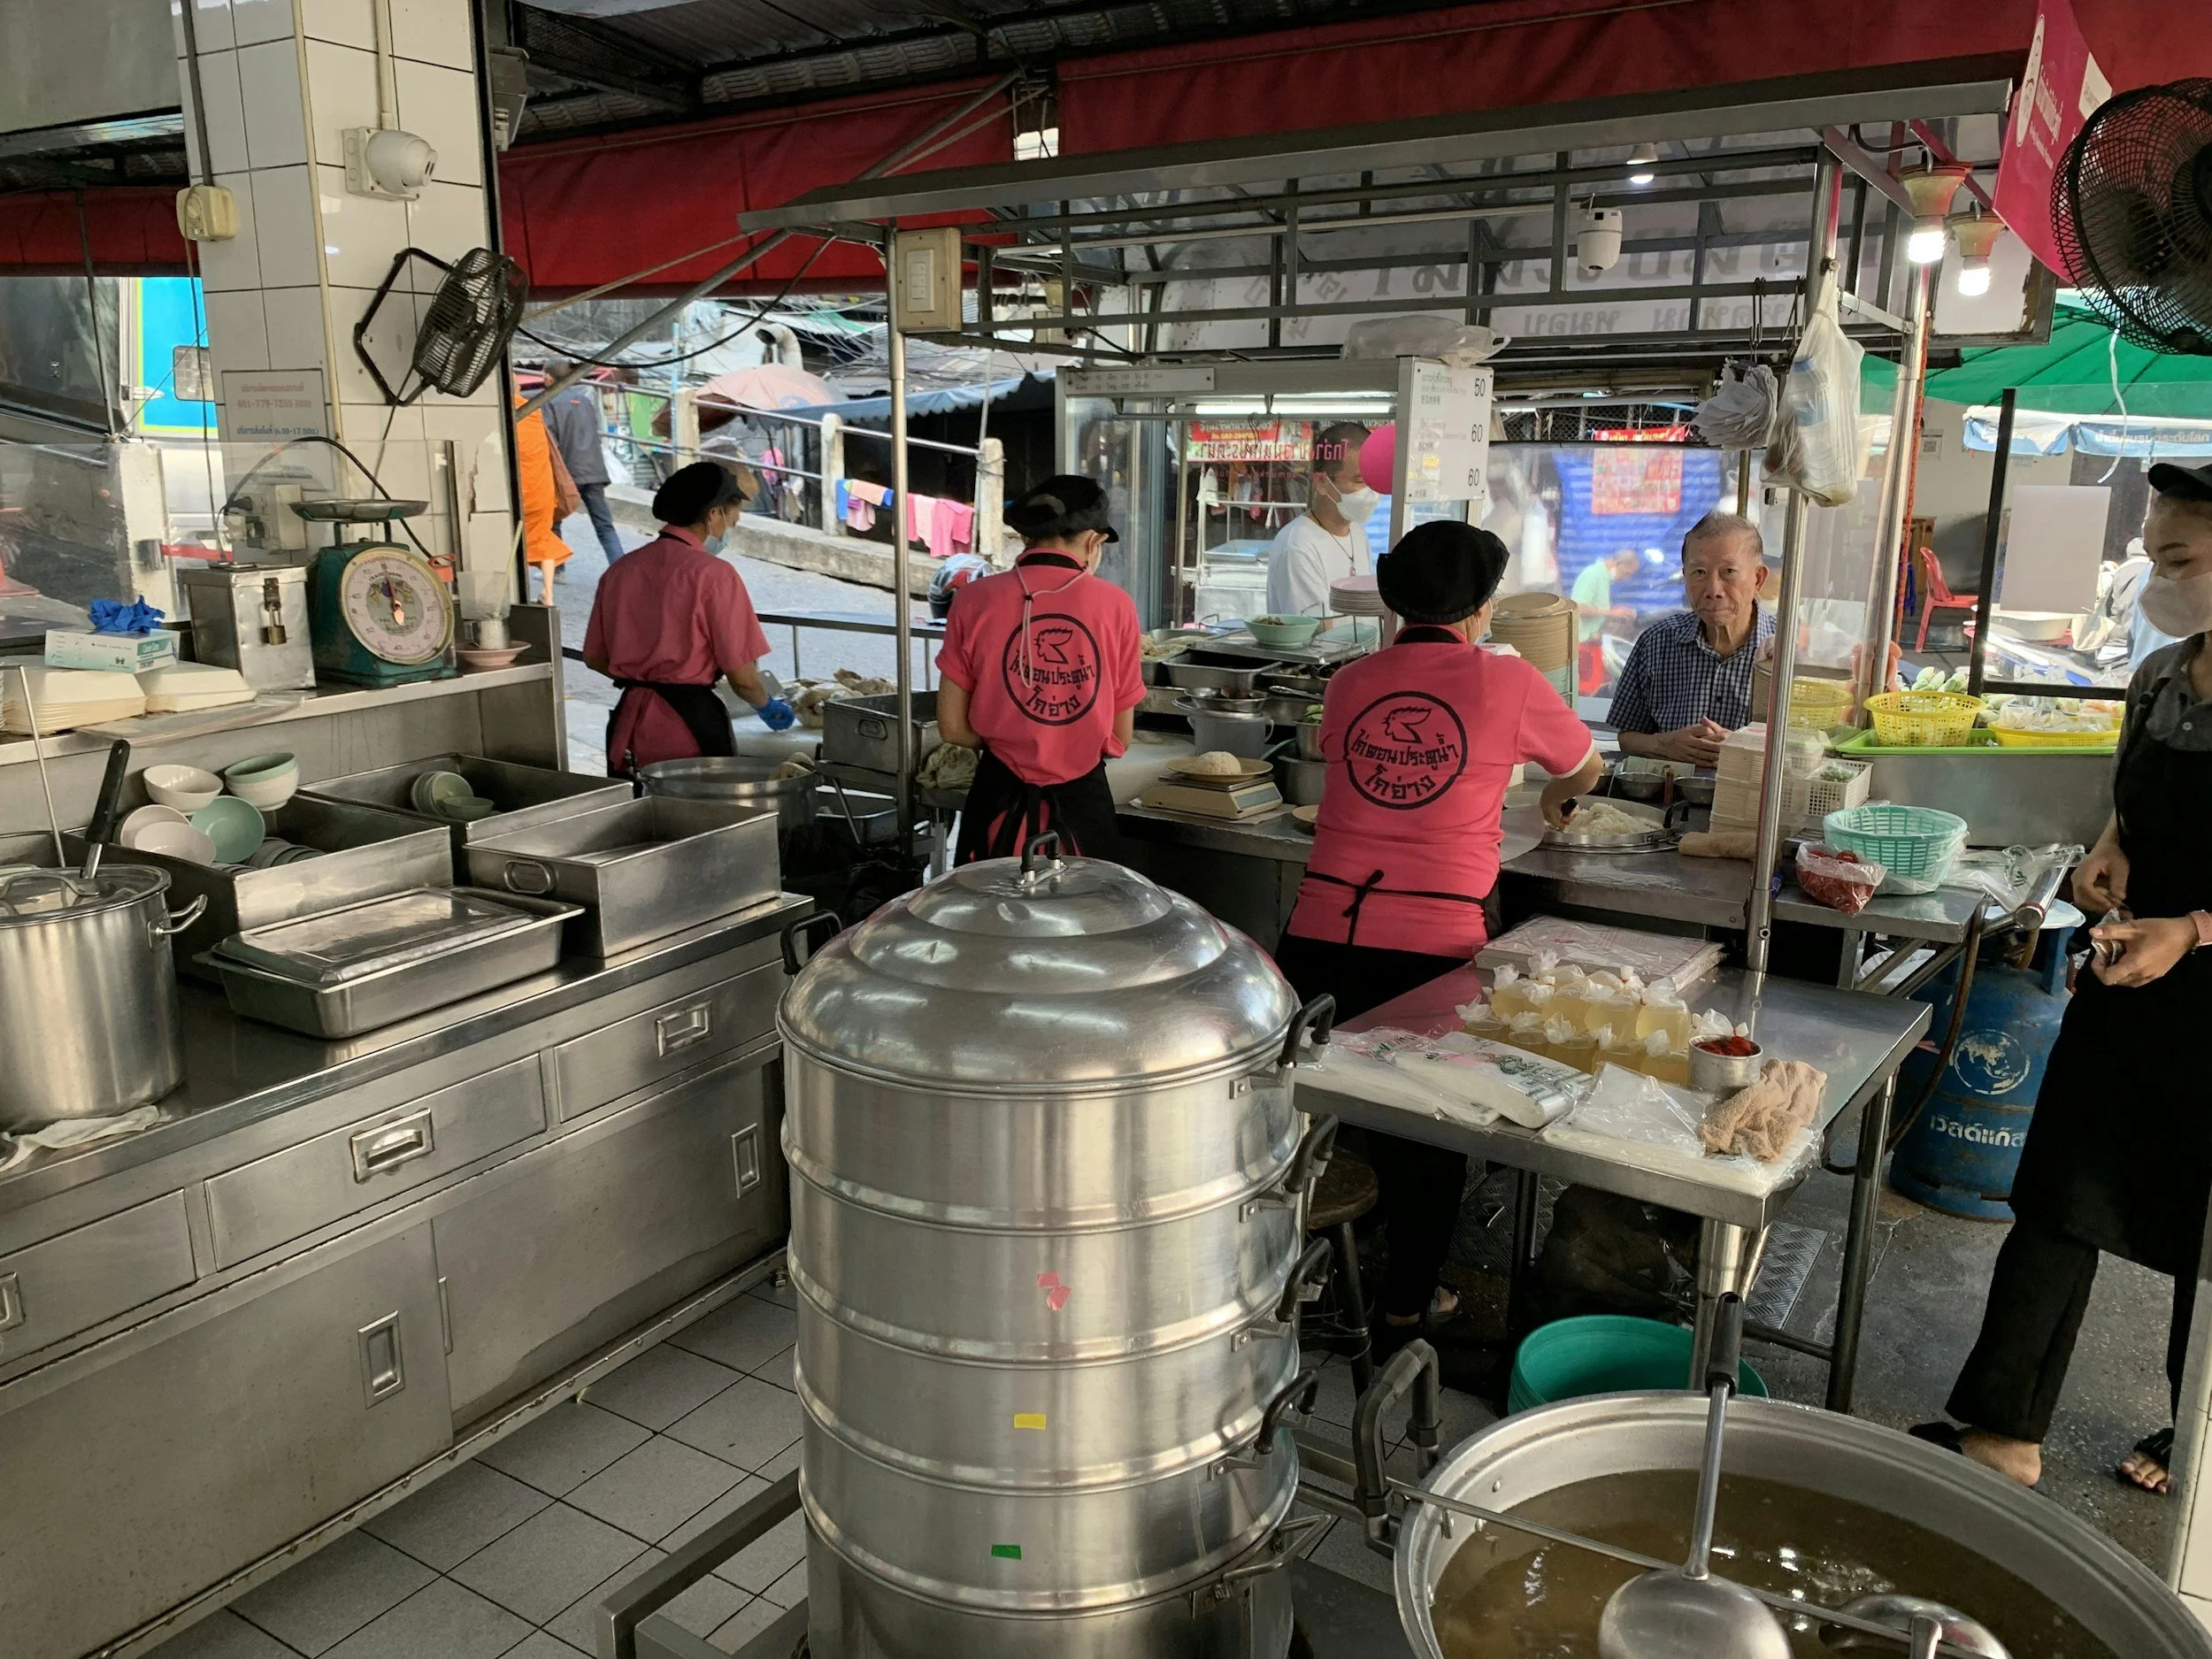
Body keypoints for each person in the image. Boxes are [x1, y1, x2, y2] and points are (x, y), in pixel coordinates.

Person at [1913, 461, 2212, 1498]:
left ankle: (2200, 1437)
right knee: (2058, 1195)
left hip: (2207, 991)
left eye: (2177, 559)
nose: (2157, 579)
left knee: (2203, 1235)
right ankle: (2002, 1427)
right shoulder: (2163, 675)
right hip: (2129, 974)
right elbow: (2131, 797)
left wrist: (2197, 928)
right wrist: (2107, 846)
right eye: (2153, 557)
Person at [1273, 521, 1602, 1374]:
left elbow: (1341, 763)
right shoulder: (1509, 678)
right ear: (1484, 608)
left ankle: (1289, 1283)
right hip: (1431, 944)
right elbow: (1585, 765)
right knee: (1430, 1136)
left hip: (1317, 934)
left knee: (1304, 1117)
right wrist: (1556, 800)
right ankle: (1404, 1310)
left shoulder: (1350, 684)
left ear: (1392, 600)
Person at [935, 475, 1144, 863]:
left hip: (994, 805)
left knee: (986, 917)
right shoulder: (1116, 606)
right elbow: (1120, 735)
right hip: (1082, 818)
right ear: (1094, 541)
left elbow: (952, 726)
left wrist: (1012, 741)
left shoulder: (973, 600)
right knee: (1084, 918)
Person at [581, 460, 795, 775]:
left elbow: (595, 657)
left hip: (630, 724)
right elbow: (743, 678)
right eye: (730, 521)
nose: (728, 530)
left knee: (639, 816)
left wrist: (644, 675)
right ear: (713, 514)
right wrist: (766, 705)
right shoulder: (714, 575)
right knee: (697, 819)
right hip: (688, 728)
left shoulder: (620, 571)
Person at [1608, 511, 1776, 767]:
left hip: (1751, 801)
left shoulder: (1785, 653)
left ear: (1758, 579)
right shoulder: (1656, 642)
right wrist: (1664, 743)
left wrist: (1744, 750)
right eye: (1699, 573)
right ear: (1685, 576)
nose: (1713, 590)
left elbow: (1807, 753)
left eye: (1728, 572)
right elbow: (1627, 737)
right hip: (1668, 798)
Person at [1264, 421, 1376, 620]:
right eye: (1360, 481)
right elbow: (1318, 631)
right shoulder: (1298, 546)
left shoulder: (1357, 532)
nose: (1370, 492)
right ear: (1322, 482)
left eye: (1372, 480)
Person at [541, 361, 626, 565]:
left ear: (551, 377)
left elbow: (550, 440)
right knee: (604, 525)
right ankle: (620, 568)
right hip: (594, 471)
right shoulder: (584, 400)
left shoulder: (548, 402)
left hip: (567, 472)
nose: (543, 378)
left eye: (544, 374)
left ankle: (557, 569)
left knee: (553, 522)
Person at [513, 394, 572, 601]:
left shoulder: (509, 414)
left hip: (520, 494)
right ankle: (548, 592)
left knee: (515, 543)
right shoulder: (534, 412)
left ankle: (515, 591)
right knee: (542, 539)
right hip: (542, 491)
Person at [1571, 549, 1641, 694]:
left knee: (1632, 625)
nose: (1626, 578)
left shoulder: (1604, 578)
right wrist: (1612, 613)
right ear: (1617, 563)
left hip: (1596, 629)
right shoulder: (1593, 574)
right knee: (1628, 631)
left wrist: (1618, 611)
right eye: (1626, 573)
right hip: (1585, 633)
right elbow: (1579, 608)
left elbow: (1597, 608)